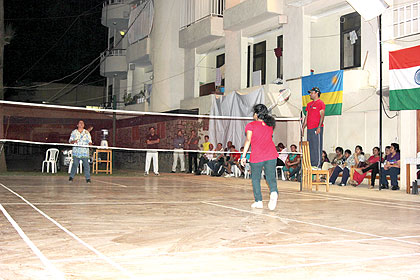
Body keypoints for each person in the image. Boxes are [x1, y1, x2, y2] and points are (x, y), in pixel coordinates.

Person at [241, 104, 278, 210]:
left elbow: (248, 141)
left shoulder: (251, 125)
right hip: (271, 155)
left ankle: (258, 201)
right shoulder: (270, 125)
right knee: (271, 178)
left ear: (256, 114)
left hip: (257, 156)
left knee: (256, 179)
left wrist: (243, 156)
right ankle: (274, 192)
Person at [302, 87, 325, 168]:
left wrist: (319, 127)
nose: (310, 94)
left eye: (311, 93)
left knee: (317, 146)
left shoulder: (320, 103)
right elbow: (307, 117)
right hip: (309, 128)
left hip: (316, 128)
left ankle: (317, 164)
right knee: (310, 146)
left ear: (316, 93)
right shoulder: (309, 104)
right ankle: (311, 164)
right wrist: (303, 128)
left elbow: (322, 116)